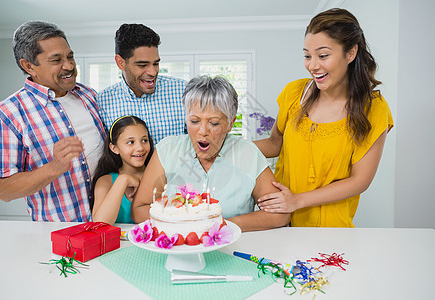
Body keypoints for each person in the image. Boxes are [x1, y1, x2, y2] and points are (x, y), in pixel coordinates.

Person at [255, 8, 394, 227]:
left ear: (350, 53)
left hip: (331, 232)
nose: (313, 65)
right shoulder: (294, 94)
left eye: (323, 55)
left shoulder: (373, 109)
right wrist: (228, 147)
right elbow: (275, 144)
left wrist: (297, 201)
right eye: (307, 56)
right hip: (282, 226)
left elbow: (359, 181)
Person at [132, 75, 290, 232]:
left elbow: (280, 214)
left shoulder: (248, 153)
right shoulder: (168, 149)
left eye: (214, 123)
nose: (203, 131)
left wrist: (222, 225)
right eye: (194, 121)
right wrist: (184, 223)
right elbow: (139, 209)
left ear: (230, 124)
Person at [0, 21, 106, 222]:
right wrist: (54, 167)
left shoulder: (89, 95)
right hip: (59, 233)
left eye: (70, 56)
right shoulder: (7, 114)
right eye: (56, 60)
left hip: (110, 226)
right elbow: (4, 190)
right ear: (29, 66)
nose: (68, 66)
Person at [98, 23, 187, 145]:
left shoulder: (182, 91)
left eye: (156, 63)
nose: (153, 72)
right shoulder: (103, 101)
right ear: (120, 63)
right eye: (142, 65)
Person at [91, 115, 154, 225]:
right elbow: (100, 223)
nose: (140, 148)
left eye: (144, 140)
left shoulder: (158, 175)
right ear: (114, 148)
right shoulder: (105, 181)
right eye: (130, 142)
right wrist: (123, 180)